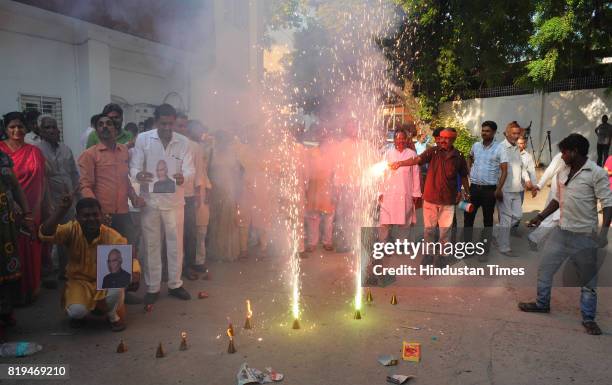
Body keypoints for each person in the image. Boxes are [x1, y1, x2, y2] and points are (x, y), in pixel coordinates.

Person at [520, 133, 612, 336]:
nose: (561, 156)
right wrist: (540, 217)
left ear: (575, 151)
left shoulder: (596, 173)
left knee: (588, 282)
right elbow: (557, 200)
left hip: (585, 236)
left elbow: (608, 204)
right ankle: (542, 303)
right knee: (545, 270)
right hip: (561, 232)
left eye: (564, 152)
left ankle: (589, 319)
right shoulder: (563, 171)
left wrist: (603, 232)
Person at [39, 197, 140, 332]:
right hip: (79, 282)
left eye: (95, 215)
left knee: (118, 284)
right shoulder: (71, 229)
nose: (91, 219)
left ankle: (112, 316)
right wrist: (61, 210)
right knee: (77, 312)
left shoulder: (111, 235)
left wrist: (135, 272)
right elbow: (45, 233)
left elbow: (128, 255)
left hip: (105, 283)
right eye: (86, 215)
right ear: (77, 217)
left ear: (101, 215)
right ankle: (82, 312)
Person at [130, 103, 194, 303]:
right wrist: (138, 174)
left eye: (171, 124)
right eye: (163, 123)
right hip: (150, 201)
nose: (167, 128)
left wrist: (183, 177)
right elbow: (134, 167)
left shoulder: (183, 142)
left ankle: (175, 284)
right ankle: (153, 287)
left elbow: (190, 170)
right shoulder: (143, 139)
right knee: (152, 245)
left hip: (175, 202)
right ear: (156, 121)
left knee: (175, 244)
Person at [393, 128, 469, 264]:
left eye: (447, 139)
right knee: (429, 230)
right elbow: (417, 159)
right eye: (442, 138)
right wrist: (400, 163)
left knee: (445, 231)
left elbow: (463, 175)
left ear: (453, 140)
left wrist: (466, 191)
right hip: (430, 198)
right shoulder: (432, 151)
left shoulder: (459, 156)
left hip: (447, 201)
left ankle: (443, 257)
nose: (444, 141)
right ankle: (428, 255)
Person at [0, 112, 46, 305]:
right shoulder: (1, 151)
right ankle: (12, 295)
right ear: (5, 129)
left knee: (30, 245)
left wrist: (37, 208)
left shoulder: (34, 152)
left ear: (26, 128)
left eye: (20, 126)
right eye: (12, 127)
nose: (17, 130)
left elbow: (42, 182)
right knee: (10, 249)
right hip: (6, 210)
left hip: (30, 206)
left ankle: (31, 289)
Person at [79, 114, 144, 240]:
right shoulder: (89, 154)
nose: (105, 127)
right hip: (103, 215)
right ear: (96, 131)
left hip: (124, 212)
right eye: (100, 124)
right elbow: (86, 186)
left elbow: (125, 180)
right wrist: (96, 212)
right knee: (103, 254)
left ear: (115, 129)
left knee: (128, 248)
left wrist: (134, 197)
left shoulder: (124, 151)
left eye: (109, 124)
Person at [0, 146, 34, 341]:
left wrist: (27, 213)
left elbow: (15, 186)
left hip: (6, 223)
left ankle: (5, 311)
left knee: (7, 268)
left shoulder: (3, 158)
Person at [463, 121, 504, 254]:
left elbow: (505, 170)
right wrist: (469, 169)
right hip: (473, 188)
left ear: (493, 132)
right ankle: (467, 248)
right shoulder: (476, 146)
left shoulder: (499, 148)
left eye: (487, 131)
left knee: (488, 220)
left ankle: (484, 250)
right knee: (467, 217)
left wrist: (498, 189)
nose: (484, 133)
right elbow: (469, 157)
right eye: (483, 130)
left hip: (489, 191)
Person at [493, 122, 532, 256]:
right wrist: (497, 188)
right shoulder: (500, 148)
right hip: (504, 189)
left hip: (517, 188)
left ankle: (496, 232)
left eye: (518, 133)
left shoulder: (516, 148)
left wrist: (527, 181)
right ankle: (504, 247)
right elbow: (494, 167)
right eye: (514, 133)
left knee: (517, 216)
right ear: (507, 133)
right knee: (506, 219)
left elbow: (522, 168)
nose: (516, 136)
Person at [378, 128, 421, 241]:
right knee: (385, 221)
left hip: (405, 193)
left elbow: (416, 175)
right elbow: (382, 175)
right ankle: (383, 244)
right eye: (398, 138)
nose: (400, 141)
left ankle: (401, 243)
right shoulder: (387, 153)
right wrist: (380, 192)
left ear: (406, 140)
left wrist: (416, 193)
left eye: (403, 138)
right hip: (388, 194)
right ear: (394, 140)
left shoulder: (412, 154)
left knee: (404, 221)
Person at [207, 130, 242, 262]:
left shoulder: (232, 153)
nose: (222, 141)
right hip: (215, 189)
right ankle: (216, 251)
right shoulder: (211, 152)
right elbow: (208, 171)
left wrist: (237, 190)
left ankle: (227, 251)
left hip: (228, 188)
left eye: (224, 139)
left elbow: (237, 172)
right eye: (219, 139)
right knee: (215, 220)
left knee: (227, 220)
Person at [186, 120, 212, 275]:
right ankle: (188, 263)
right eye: (200, 130)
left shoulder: (200, 147)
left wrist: (208, 188)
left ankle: (199, 261)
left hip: (201, 191)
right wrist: (196, 193)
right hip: (188, 194)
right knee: (189, 232)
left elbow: (202, 172)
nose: (202, 133)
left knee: (201, 230)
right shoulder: (185, 145)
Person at [527, 152, 565, 250]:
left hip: (565, 189)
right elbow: (549, 170)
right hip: (559, 189)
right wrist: (539, 185)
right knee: (555, 217)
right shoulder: (561, 155)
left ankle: (537, 238)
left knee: (552, 217)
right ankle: (535, 238)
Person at [305, 131, 336, 252]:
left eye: (327, 139)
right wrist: (306, 188)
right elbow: (306, 169)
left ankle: (327, 241)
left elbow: (335, 173)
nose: (325, 141)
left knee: (328, 218)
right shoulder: (311, 152)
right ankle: (312, 242)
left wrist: (335, 190)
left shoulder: (332, 155)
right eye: (322, 138)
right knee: (313, 217)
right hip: (314, 187)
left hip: (328, 188)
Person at [518, 136, 537, 202]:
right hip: (508, 188)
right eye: (518, 143)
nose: (519, 145)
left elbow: (532, 172)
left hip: (520, 188)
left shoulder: (528, 156)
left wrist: (534, 187)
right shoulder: (508, 154)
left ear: (524, 144)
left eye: (521, 143)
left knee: (518, 209)